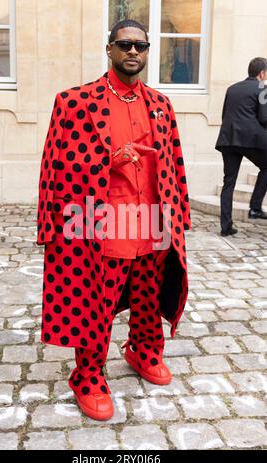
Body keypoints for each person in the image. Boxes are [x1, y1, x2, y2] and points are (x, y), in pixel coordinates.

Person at [37, 19, 191, 421]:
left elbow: (174, 161)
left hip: (152, 221)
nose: (133, 52)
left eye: (141, 45)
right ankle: (87, 375)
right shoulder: (74, 101)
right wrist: (107, 161)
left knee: (148, 295)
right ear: (110, 50)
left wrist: (181, 216)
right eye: (124, 45)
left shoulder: (160, 104)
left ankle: (144, 350)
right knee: (95, 303)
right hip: (99, 224)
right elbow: (55, 164)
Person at [216, 57, 267, 236]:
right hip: (250, 139)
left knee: (229, 182)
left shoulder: (232, 88)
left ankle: (226, 227)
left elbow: (225, 115)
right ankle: (255, 207)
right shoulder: (262, 88)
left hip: (227, 139)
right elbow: (264, 118)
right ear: (262, 73)